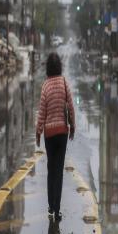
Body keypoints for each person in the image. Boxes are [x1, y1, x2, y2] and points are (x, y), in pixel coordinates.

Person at [36, 52, 75, 222]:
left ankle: (51, 207)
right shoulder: (64, 83)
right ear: (59, 66)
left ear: (47, 68)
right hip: (62, 133)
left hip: (49, 135)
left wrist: (38, 132)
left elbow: (42, 112)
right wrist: (72, 126)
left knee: (51, 170)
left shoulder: (45, 86)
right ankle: (57, 210)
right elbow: (71, 107)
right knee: (59, 171)